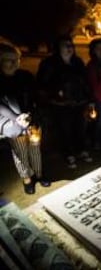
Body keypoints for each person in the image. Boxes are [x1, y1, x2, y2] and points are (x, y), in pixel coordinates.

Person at [0, 42, 50, 194]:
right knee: (20, 153)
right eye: (9, 60)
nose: (14, 63)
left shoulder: (26, 76)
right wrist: (16, 118)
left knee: (35, 148)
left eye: (17, 59)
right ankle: (27, 178)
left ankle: (39, 174)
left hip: (32, 120)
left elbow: (37, 96)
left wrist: (33, 114)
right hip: (12, 125)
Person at [37, 36, 92, 169]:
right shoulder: (49, 63)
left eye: (70, 45)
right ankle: (68, 154)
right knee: (64, 130)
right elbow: (42, 83)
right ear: (58, 48)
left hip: (78, 102)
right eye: (65, 45)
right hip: (60, 104)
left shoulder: (77, 62)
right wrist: (56, 93)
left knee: (79, 127)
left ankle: (80, 150)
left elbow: (85, 81)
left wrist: (88, 99)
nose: (69, 48)